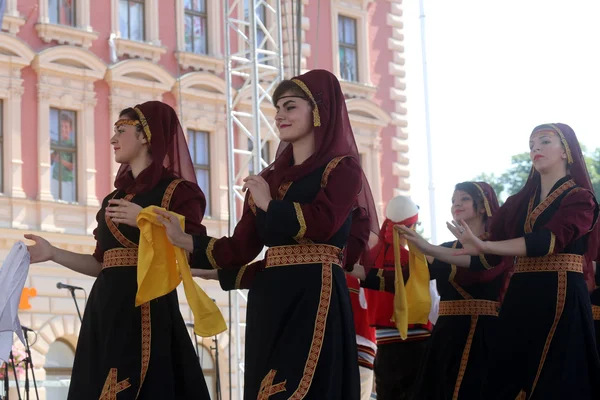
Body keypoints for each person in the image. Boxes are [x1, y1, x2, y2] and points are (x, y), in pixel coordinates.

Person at [157, 69, 379, 399]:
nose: (279, 115)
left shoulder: (342, 169)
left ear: (318, 110)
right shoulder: (268, 178)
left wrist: (269, 205)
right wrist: (185, 240)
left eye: (290, 106)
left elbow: (324, 223)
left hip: (315, 294)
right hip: (270, 299)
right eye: (277, 108)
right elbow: (241, 247)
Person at [26, 101, 213, 399]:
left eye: (121, 130)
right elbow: (101, 264)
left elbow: (190, 252)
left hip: (147, 304)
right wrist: (53, 253)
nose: (113, 139)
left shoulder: (177, 192)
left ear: (145, 135)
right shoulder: (113, 198)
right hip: (105, 306)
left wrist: (144, 221)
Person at [410, 124, 600, 399]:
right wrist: (428, 248)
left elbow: (547, 241)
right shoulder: (518, 202)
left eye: (545, 141)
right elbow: (485, 259)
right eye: (532, 142)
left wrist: (485, 244)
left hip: (560, 295)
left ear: (566, 150)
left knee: (555, 377)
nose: (535, 147)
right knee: (505, 379)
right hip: (520, 296)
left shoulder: (580, 198)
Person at [399, 182, 511, 399]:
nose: (456, 204)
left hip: (483, 333)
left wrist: (429, 249)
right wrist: (353, 269)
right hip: (446, 334)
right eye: (453, 201)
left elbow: (481, 269)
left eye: (464, 199)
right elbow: (407, 276)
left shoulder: (497, 247)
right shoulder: (446, 248)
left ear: (482, 207)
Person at [352, 196, 433, 400]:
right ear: (412, 226)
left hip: (385, 346)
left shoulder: (370, 259)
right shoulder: (416, 259)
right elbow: (431, 305)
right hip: (417, 343)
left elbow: (363, 301)